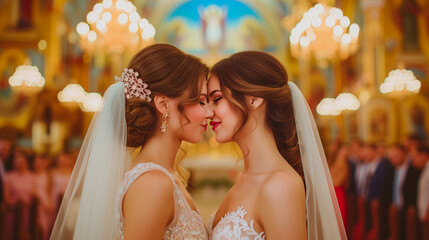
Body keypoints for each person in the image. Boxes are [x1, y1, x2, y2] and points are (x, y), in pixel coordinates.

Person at [51, 44, 213, 240]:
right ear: (163, 104)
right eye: (201, 101)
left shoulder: (165, 175)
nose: (209, 112)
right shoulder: (153, 183)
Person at [207, 51, 346, 239]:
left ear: (254, 99)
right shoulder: (245, 177)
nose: (208, 112)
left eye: (216, 99)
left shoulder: (281, 186)